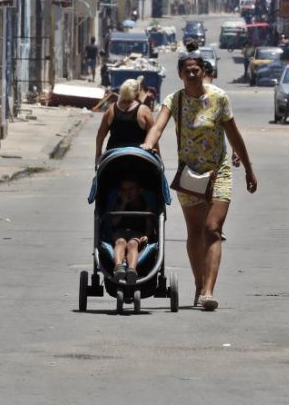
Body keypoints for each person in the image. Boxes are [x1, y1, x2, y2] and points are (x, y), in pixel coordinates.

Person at [141, 51, 258, 311]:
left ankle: (208, 291)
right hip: (190, 176)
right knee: (195, 232)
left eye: (196, 70)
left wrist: (249, 169)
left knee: (212, 229)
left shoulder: (219, 98)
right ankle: (198, 283)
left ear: (203, 71)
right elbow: (158, 126)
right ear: (180, 74)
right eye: (187, 70)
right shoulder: (175, 100)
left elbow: (234, 134)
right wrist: (148, 144)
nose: (192, 74)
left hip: (219, 173)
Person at [96, 77, 155, 166]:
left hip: (113, 156)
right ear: (138, 92)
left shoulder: (111, 109)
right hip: (138, 157)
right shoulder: (144, 110)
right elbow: (153, 136)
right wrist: (159, 159)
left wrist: (98, 155)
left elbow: (100, 135)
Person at [109, 178, 152, 285]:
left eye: (131, 189)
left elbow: (149, 223)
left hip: (137, 232)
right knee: (121, 242)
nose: (127, 193)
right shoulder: (118, 203)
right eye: (124, 190)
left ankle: (132, 270)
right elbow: (114, 222)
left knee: (133, 244)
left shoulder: (145, 204)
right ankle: (118, 267)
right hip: (120, 232)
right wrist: (123, 204)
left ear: (140, 190)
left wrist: (147, 235)